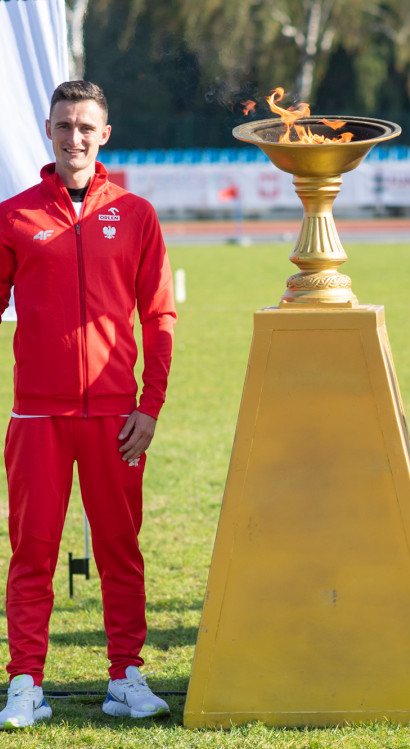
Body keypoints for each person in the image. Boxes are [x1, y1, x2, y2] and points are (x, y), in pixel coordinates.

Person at [0, 81, 176, 728]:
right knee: (32, 552)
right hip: (37, 419)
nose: (75, 137)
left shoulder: (135, 214)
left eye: (86, 127)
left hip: (115, 419)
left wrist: (149, 407)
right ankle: (25, 682)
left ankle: (126, 675)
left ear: (105, 134)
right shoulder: (14, 216)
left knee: (120, 550)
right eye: (64, 125)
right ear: (48, 130)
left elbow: (160, 316)